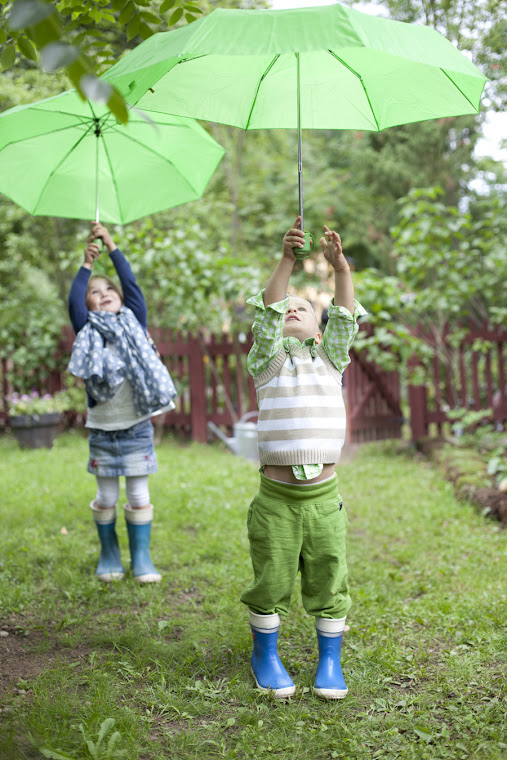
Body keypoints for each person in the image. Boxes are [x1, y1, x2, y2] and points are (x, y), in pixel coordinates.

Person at [241, 216, 367, 699]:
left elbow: (346, 314)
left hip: (324, 501)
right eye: (288, 307)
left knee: (328, 576)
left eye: (304, 308)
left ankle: (329, 663)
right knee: (270, 578)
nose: (293, 309)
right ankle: (266, 654)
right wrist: (287, 261)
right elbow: (269, 311)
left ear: (318, 330)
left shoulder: (330, 361)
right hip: (276, 501)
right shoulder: (268, 363)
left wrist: (341, 270)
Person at [67, 222, 176, 584]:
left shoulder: (134, 319)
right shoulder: (88, 330)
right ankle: (110, 553)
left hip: (136, 426)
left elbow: (131, 285)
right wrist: (86, 266)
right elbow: (74, 301)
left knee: (139, 491)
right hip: (103, 429)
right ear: (89, 306)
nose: (103, 294)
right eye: (94, 293)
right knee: (106, 494)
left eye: (107, 288)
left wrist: (112, 246)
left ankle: (141, 557)